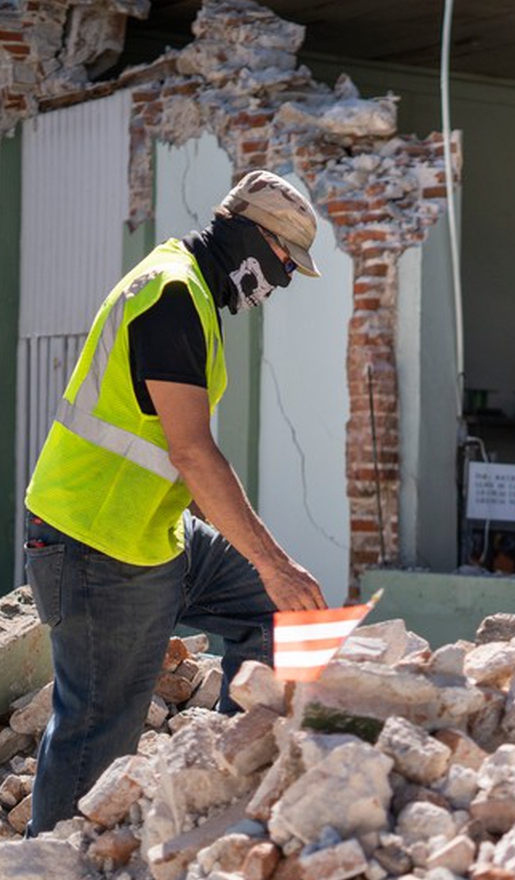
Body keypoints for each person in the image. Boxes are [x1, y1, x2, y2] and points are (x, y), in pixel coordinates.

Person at [22, 169, 330, 834]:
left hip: (150, 533)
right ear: (246, 236)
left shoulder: (191, 295)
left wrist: (270, 570)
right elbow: (193, 454)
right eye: (280, 262)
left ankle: (217, 789)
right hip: (94, 541)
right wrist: (274, 560)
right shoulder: (171, 296)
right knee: (97, 736)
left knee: (271, 609)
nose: (277, 283)